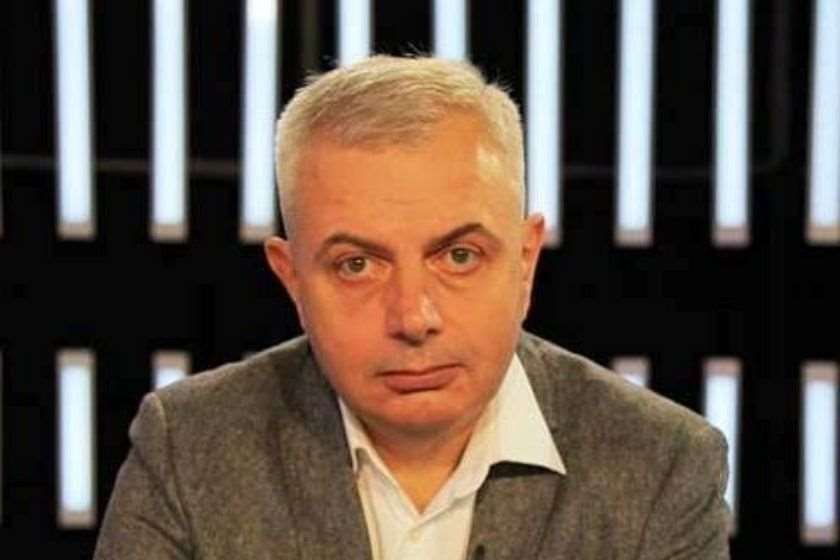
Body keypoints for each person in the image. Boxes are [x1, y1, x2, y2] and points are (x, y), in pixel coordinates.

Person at [94, 55, 731, 559]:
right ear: (292, 281)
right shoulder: (189, 445)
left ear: (524, 261)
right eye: (356, 265)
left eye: (459, 256)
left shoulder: (661, 464)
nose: (412, 318)